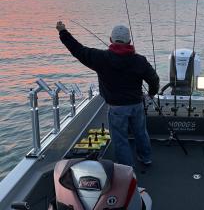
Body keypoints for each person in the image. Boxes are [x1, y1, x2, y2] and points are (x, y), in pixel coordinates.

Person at [56, 21, 159, 166]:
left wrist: (63, 32)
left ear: (111, 40)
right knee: (141, 133)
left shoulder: (100, 58)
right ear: (129, 41)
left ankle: (126, 169)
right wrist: (152, 94)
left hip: (116, 108)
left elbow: (78, 50)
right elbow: (154, 79)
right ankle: (146, 158)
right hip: (136, 105)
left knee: (120, 139)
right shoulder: (139, 60)